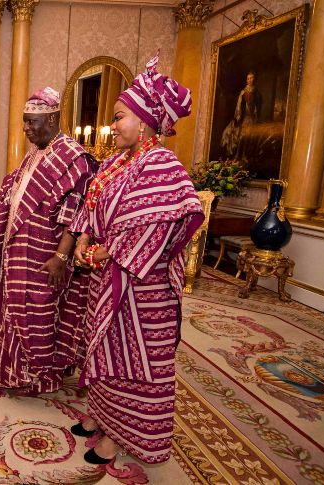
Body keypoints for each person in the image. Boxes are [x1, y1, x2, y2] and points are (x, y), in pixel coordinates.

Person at [67, 52, 204, 465]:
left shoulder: (161, 163)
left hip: (142, 289)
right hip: (105, 276)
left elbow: (163, 223)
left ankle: (121, 437)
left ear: (145, 120)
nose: (113, 124)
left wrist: (107, 250)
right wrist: (83, 238)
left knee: (133, 360)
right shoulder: (115, 162)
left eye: (120, 116)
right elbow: (93, 204)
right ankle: (101, 416)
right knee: (103, 347)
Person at [0, 86, 99, 394]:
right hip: (19, 245)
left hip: (45, 251)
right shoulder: (36, 152)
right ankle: (11, 371)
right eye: (24, 122)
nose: (25, 129)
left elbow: (78, 213)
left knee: (37, 311)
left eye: (31, 123)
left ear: (52, 119)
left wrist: (61, 257)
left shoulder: (75, 158)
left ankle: (37, 375)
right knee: (12, 304)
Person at [220, 71, 262, 161]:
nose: (250, 80)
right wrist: (238, 117)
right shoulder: (243, 92)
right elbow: (239, 106)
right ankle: (237, 155)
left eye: (251, 78)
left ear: (254, 79)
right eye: (248, 78)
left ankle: (245, 156)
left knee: (249, 138)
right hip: (244, 118)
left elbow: (258, 106)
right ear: (246, 80)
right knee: (241, 137)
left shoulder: (257, 93)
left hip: (252, 118)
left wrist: (256, 115)